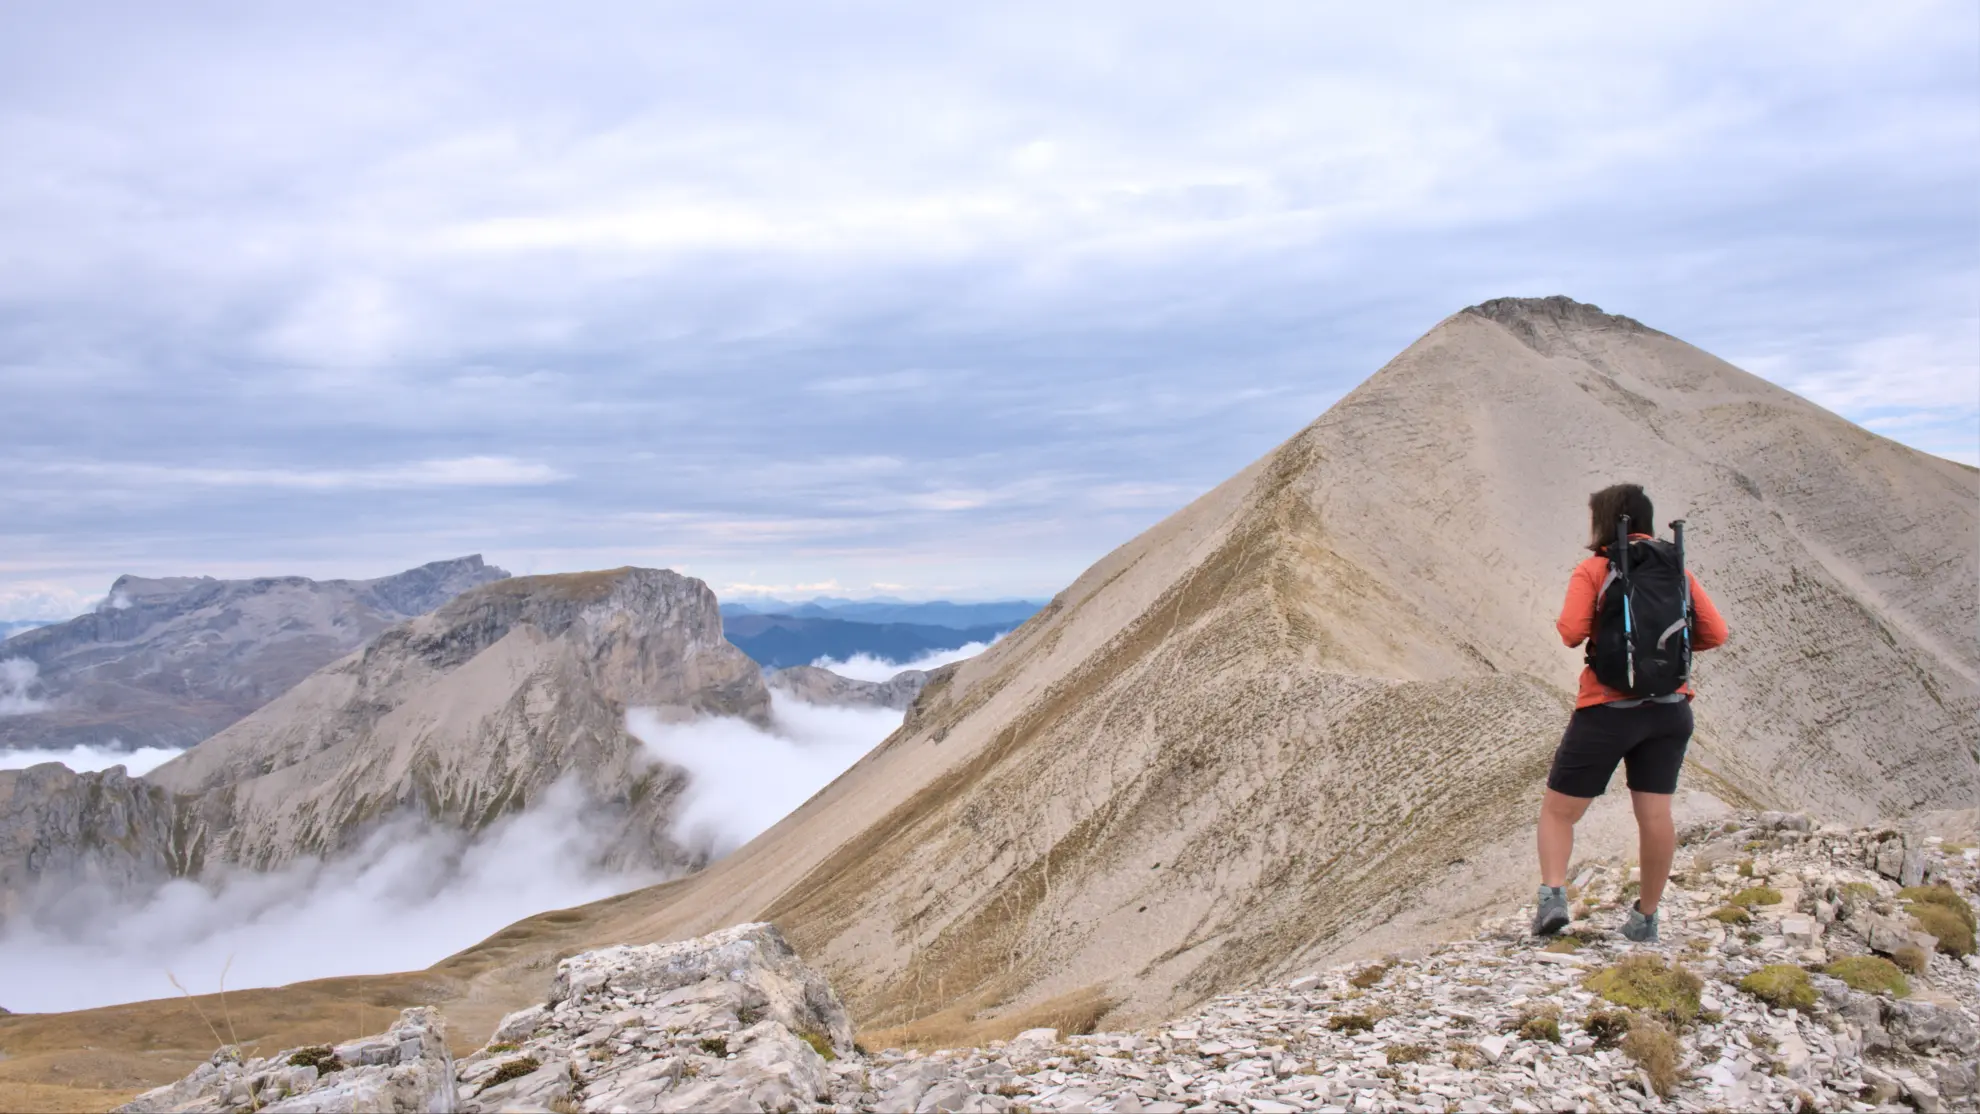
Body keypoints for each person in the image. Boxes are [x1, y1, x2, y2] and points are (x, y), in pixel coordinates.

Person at [1533, 483, 1728, 943]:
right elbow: (1715, 633)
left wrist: (1619, 650)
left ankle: (1553, 899)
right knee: (1655, 815)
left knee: (1559, 812)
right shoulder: (1677, 568)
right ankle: (1646, 918)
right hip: (1671, 710)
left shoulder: (1595, 569)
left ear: (1604, 521)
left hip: (1608, 708)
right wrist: (1660, 656)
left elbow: (1570, 632)